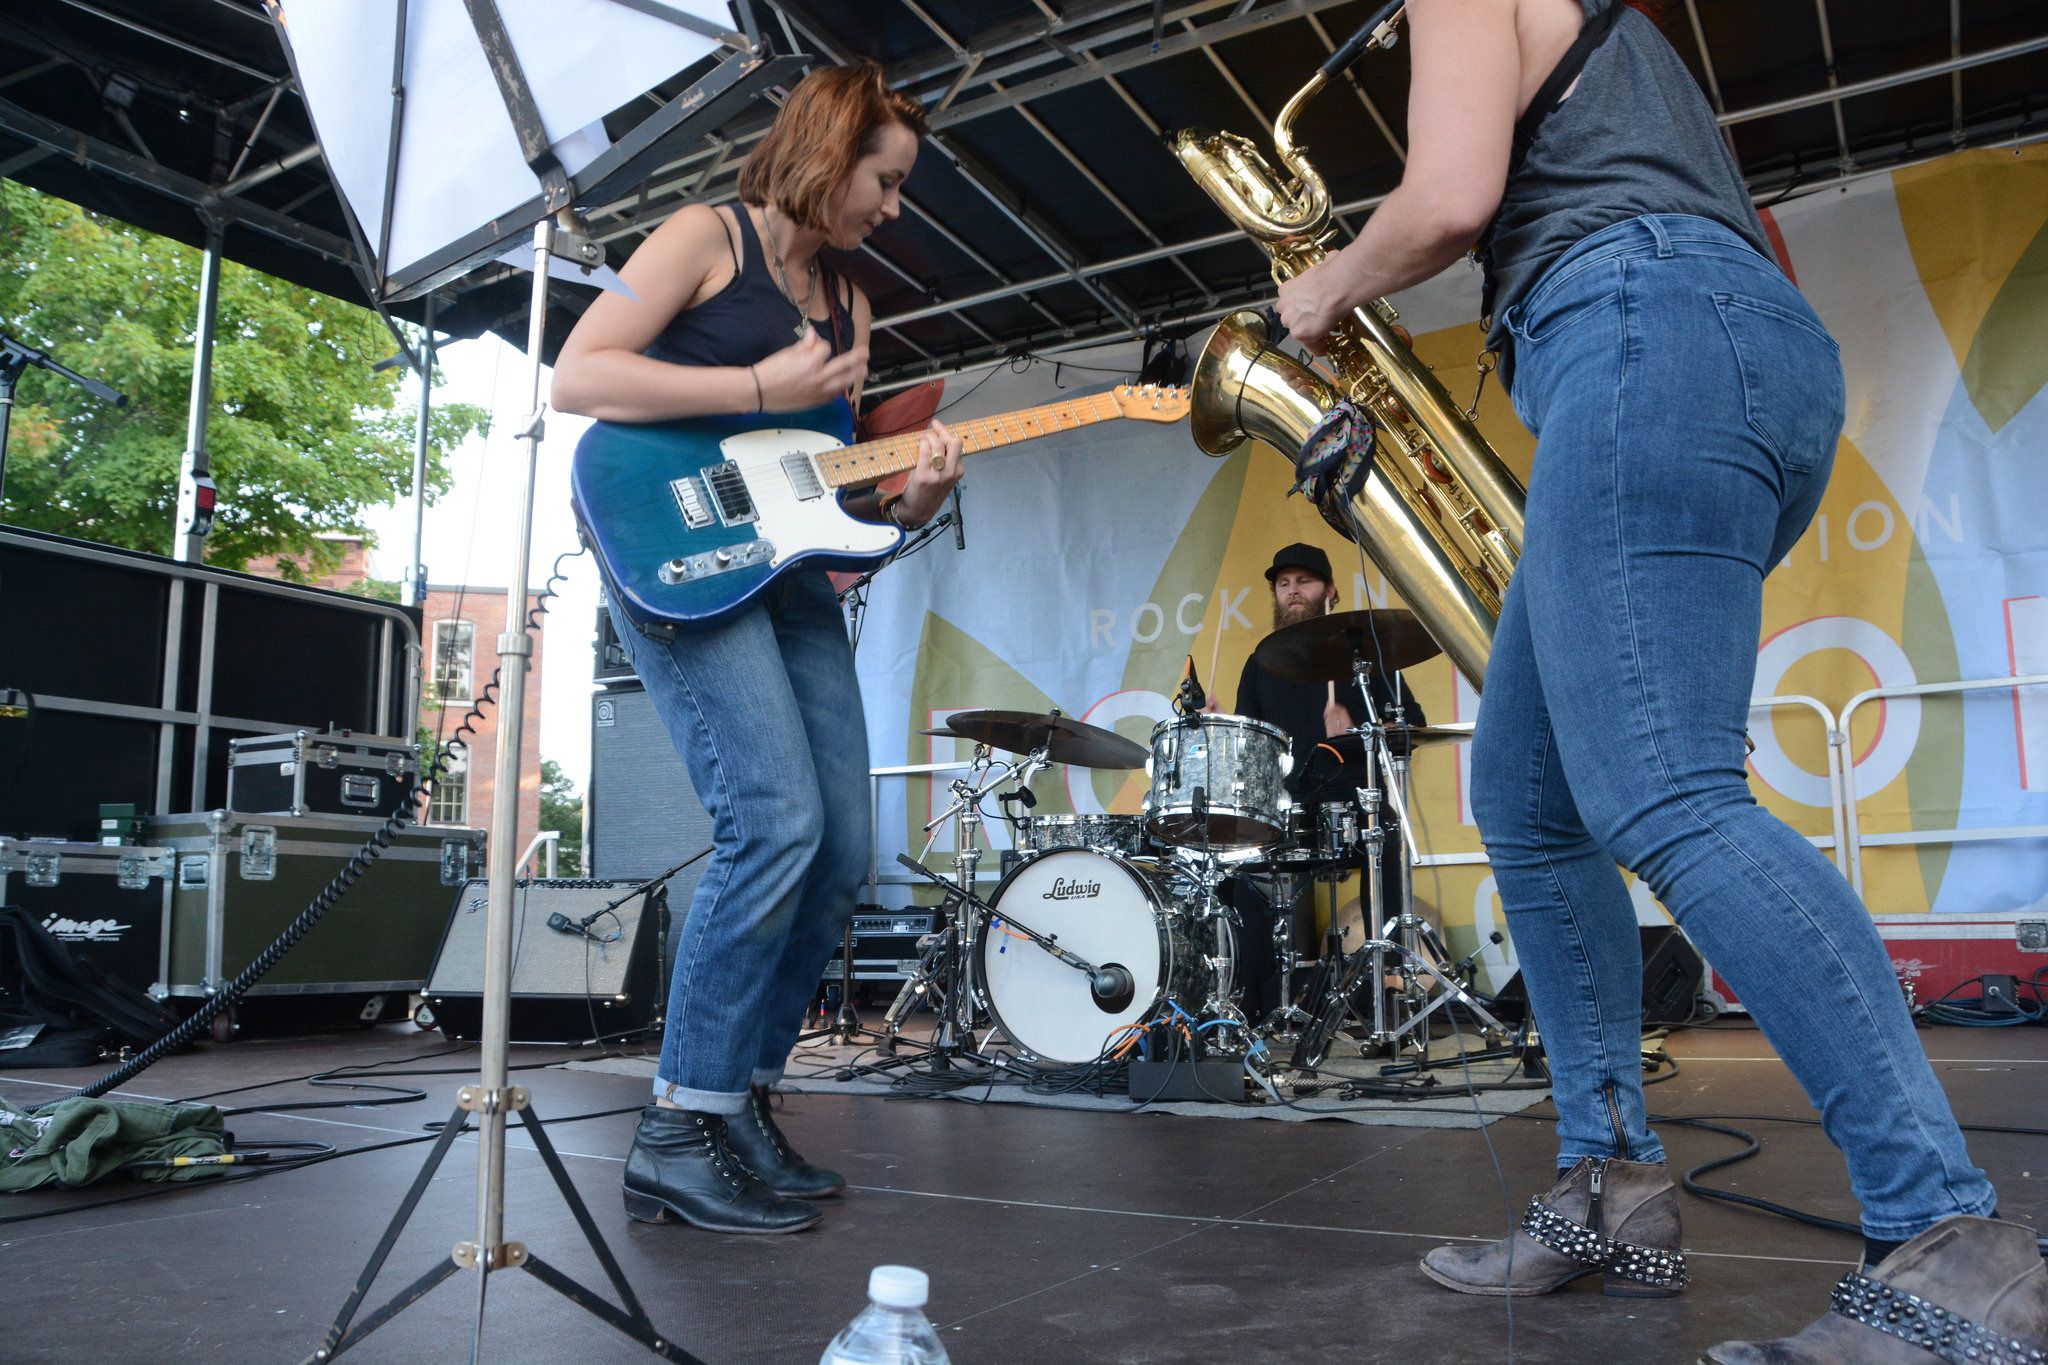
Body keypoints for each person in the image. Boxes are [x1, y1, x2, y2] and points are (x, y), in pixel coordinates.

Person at [1275, 1, 2041, 1357]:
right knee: (1524, 791)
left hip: (1637, 329)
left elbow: (1451, 197)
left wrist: (1322, 291)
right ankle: (1612, 1191)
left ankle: (1947, 1240)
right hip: (1691, 336)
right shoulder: (1620, 45)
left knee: (1667, 794)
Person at [551, 63, 964, 1236]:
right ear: (828, 152)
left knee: (837, 848)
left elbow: (834, 503)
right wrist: (751, 381)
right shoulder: (703, 237)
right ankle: (675, 1127)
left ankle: (740, 1102)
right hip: (669, 549)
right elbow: (579, 373)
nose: (891, 207)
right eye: (882, 181)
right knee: (771, 822)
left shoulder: (850, 304)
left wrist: (917, 498)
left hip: (781, 576)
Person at [1226, 542, 1424, 1022]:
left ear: (1330, 591)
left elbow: (1412, 727)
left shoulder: (1363, 656)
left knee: (1390, 839)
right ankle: (1251, 996)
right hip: (1288, 809)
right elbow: (1250, 751)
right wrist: (1224, 733)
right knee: (1232, 859)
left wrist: (1357, 732)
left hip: (1357, 805)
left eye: (1305, 582)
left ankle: (1392, 983)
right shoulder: (1262, 662)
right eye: (1284, 583)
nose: (1293, 591)